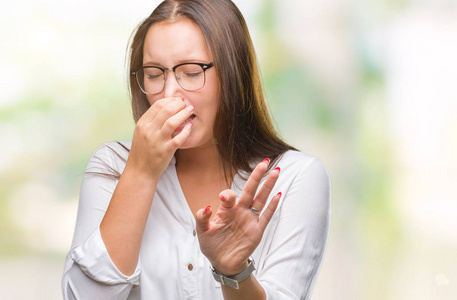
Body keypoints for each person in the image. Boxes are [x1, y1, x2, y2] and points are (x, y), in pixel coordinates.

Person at [61, 0, 331, 299]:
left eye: (190, 72)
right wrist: (141, 172)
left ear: (232, 75)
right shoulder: (113, 166)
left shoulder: (293, 177)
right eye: (153, 74)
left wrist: (234, 272)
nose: (169, 93)